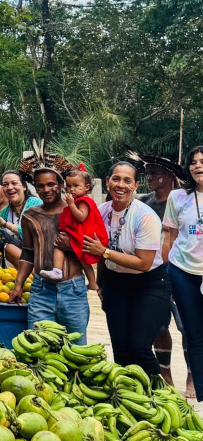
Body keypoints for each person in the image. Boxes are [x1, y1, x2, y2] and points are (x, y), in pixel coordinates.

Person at [85, 161, 168, 376]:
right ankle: (127, 396)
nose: (121, 185)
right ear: (107, 182)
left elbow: (144, 263)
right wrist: (101, 284)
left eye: (127, 180)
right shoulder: (100, 212)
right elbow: (98, 253)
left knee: (139, 347)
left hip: (149, 284)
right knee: (120, 349)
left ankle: (158, 393)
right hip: (115, 283)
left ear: (136, 186)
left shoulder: (145, 216)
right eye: (116, 179)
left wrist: (103, 251)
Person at [9, 165, 90, 339]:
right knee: (39, 347)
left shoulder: (77, 212)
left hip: (73, 291)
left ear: (61, 184)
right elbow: (28, 253)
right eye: (40, 186)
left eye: (51, 184)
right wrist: (18, 285)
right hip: (41, 290)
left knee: (76, 349)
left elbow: (92, 248)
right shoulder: (30, 216)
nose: (46, 190)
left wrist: (72, 246)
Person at [137, 154, 192, 394]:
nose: (150, 177)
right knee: (158, 326)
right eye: (147, 173)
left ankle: (192, 374)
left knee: (188, 326)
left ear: (170, 176)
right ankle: (165, 372)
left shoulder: (184, 200)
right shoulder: (143, 202)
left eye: (155, 173)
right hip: (152, 272)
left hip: (181, 269)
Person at [162, 145, 203, 403]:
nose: (198, 165)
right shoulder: (178, 197)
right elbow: (169, 235)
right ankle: (200, 391)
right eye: (194, 162)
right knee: (194, 333)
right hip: (183, 271)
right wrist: (166, 269)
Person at [40, 168, 108, 288]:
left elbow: (81, 217)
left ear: (86, 187)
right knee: (83, 262)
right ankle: (93, 283)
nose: (71, 189)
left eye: (76, 186)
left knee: (58, 245)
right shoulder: (79, 200)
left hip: (81, 235)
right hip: (80, 233)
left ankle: (57, 270)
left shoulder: (84, 201)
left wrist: (71, 204)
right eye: (69, 186)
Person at [0, 170, 42, 238]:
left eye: (14, 183)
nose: (9, 187)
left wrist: (6, 224)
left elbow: (34, 233)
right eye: (5, 184)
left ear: (24, 186)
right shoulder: (4, 212)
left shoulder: (36, 204)